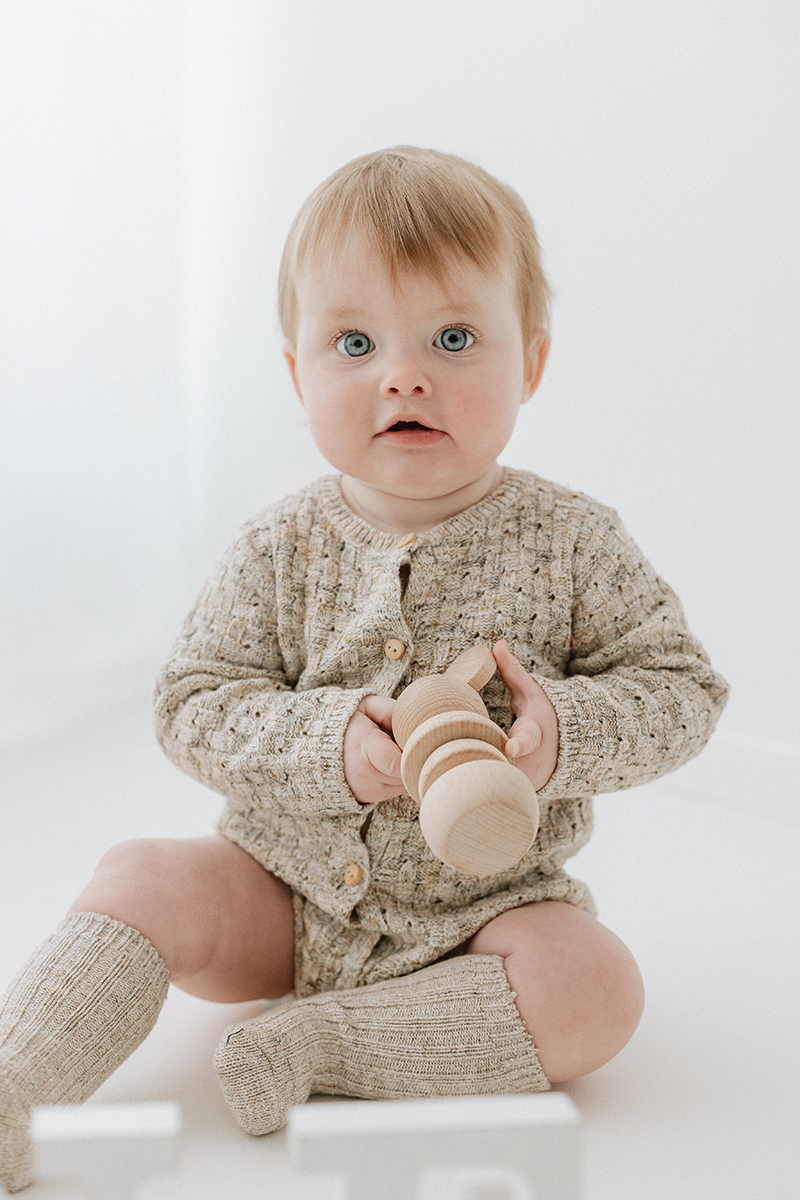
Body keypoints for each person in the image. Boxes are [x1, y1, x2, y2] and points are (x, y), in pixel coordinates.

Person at [0, 146, 728, 1192]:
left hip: (487, 916)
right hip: (282, 895)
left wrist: (557, 730)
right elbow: (189, 705)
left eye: (452, 338)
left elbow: (680, 691)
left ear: (529, 362)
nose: (403, 374)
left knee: (596, 988)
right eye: (354, 343)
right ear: (298, 376)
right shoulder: (276, 548)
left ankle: (317, 1046)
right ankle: (19, 1079)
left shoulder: (574, 542)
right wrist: (327, 744)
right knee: (141, 872)